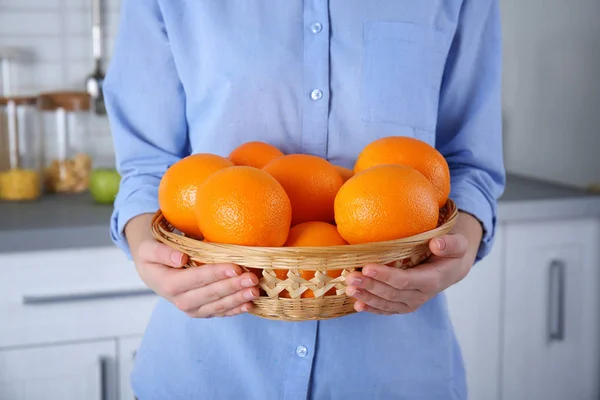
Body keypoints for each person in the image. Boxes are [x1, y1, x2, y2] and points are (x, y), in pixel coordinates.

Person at [103, 0, 505, 399]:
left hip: (396, 372)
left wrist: (461, 248)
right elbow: (147, 166)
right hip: (208, 370)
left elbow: (469, 166)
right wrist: (148, 250)